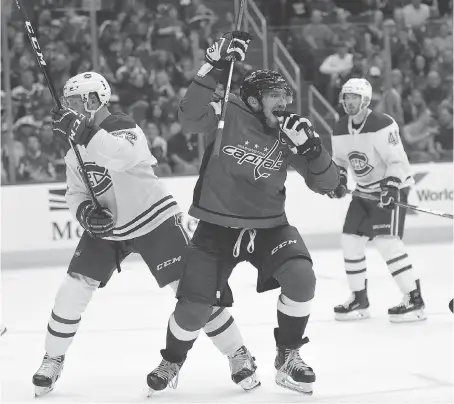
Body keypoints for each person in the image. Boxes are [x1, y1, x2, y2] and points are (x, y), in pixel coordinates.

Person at [31, 72, 254, 397]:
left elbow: (119, 156)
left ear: (93, 100)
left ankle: (238, 353)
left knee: (193, 293)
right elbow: (75, 190)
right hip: (109, 227)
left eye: (74, 101)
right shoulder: (73, 142)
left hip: (154, 219)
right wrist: (84, 212)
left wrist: (83, 133)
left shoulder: (123, 126)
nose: (68, 108)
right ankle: (52, 359)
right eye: (67, 102)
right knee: (71, 291)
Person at [146, 31, 340, 396]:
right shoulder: (227, 110)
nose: (284, 103)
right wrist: (216, 66)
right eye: (275, 96)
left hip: (270, 228)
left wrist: (314, 150)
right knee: (193, 310)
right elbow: (189, 117)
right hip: (216, 229)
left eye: (286, 96)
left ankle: (288, 356)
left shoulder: (289, 130)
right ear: (252, 99)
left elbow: (326, 184)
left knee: (302, 278)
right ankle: (172, 360)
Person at [328, 78, 426, 323]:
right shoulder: (340, 127)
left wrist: (391, 187)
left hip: (390, 189)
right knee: (350, 240)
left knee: (387, 242)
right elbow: (340, 160)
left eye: (354, 97)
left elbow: (397, 160)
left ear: (366, 100)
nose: (349, 102)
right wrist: (338, 181)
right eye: (346, 97)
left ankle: (414, 300)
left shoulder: (382, 124)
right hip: (363, 192)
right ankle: (359, 299)